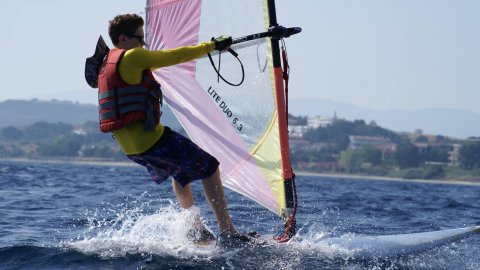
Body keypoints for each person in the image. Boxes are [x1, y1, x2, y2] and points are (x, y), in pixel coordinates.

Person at [96, 13, 252, 246]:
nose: (143, 44)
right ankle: (227, 230)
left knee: (181, 172)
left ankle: (195, 229)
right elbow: (175, 56)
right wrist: (213, 45)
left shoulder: (107, 62)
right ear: (123, 38)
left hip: (132, 149)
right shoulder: (132, 56)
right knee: (210, 166)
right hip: (152, 140)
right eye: (140, 38)